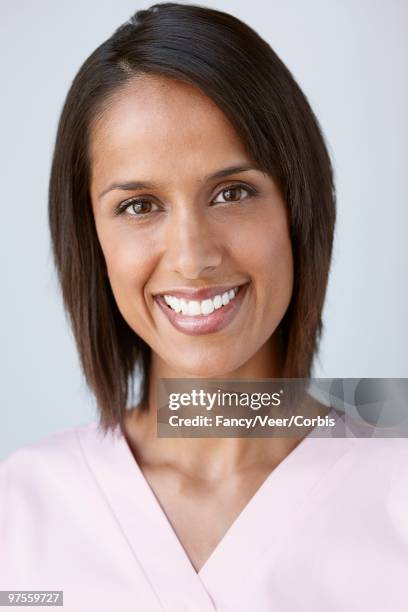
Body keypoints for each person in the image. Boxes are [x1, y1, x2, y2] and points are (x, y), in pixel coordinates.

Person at [1, 4, 407, 611]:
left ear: (299, 208)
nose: (193, 258)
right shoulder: (20, 508)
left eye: (233, 192)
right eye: (139, 205)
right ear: (92, 240)